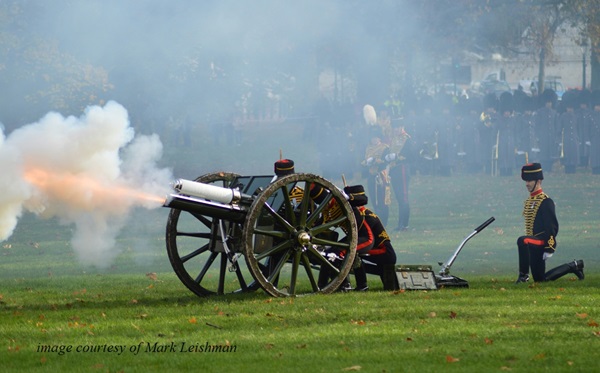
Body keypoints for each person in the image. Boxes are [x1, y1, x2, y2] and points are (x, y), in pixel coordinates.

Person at [515, 163, 584, 283]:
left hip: (541, 240)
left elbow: (552, 227)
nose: (527, 184)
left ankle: (523, 276)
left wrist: (549, 247)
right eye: (526, 181)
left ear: (539, 181)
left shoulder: (546, 201)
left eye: (530, 180)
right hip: (533, 242)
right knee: (540, 280)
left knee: (522, 240)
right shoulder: (529, 201)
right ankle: (574, 266)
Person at [344, 185, 397, 291]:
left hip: (384, 252)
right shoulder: (365, 213)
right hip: (380, 250)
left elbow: (361, 236)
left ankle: (362, 285)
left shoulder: (366, 215)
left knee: (355, 255)